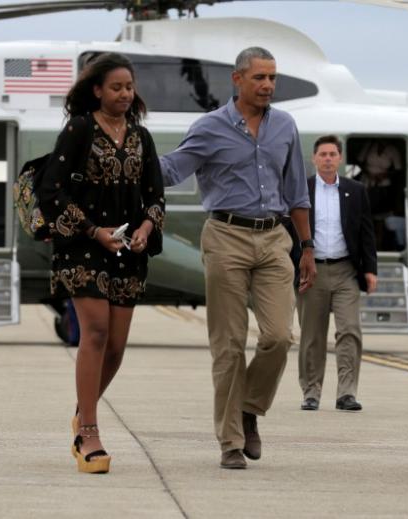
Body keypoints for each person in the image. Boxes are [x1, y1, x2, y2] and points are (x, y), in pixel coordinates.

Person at [159, 47, 316, 470]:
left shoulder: (285, 126)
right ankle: (230, 440)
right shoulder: (209, 127)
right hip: (226, 235)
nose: (267, 85)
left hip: (273, 240)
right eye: (260, 78)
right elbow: (173, 170)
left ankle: (249, 409)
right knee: (228, 345)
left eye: (272, 78)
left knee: (279, 337)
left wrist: (307, 248)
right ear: (238, 79)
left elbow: (297, 192)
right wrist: (124, 158)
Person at [39, 52, 165, 474]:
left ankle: (82, 409)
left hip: (128, 250)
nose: (126, 94)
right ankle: (88, 432)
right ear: (96, 90)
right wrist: (93, 231)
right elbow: (51, 191)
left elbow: (155, 196)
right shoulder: (79, 129)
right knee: (94, 333)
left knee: (115, 347)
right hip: (83, 246)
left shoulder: (141, 137)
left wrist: (147, 226)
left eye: (129, 87)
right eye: (117, 87)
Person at [296, 135, 378, 412]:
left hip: (345, 270)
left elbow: (366, 231)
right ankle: (311, 392)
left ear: (340, 159)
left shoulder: (355, 190)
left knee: (349, 331)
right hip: (312, 270)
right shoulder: (301, 190)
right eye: (323, 154)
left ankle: (346, 393)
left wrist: (370, 270)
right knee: (312, 336)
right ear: (314, 158)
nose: (328, 159)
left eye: (333, 154)